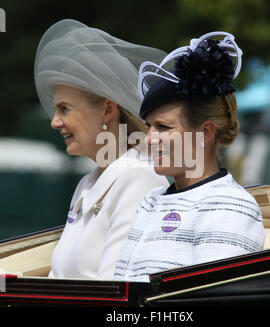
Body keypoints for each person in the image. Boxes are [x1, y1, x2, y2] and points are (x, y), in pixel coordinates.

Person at [114, 32, 265, 282]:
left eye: (163, 127)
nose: (149, 138)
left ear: (204, 132)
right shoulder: (151, 200)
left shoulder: (229, 208)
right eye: (149, 126)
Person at [34, 19, 169, 280]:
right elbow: (59, 278)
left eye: (65, 108)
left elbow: (111, 290)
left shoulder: (139, 176)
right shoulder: (88, 183)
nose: (54, 122)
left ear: (108, 110)